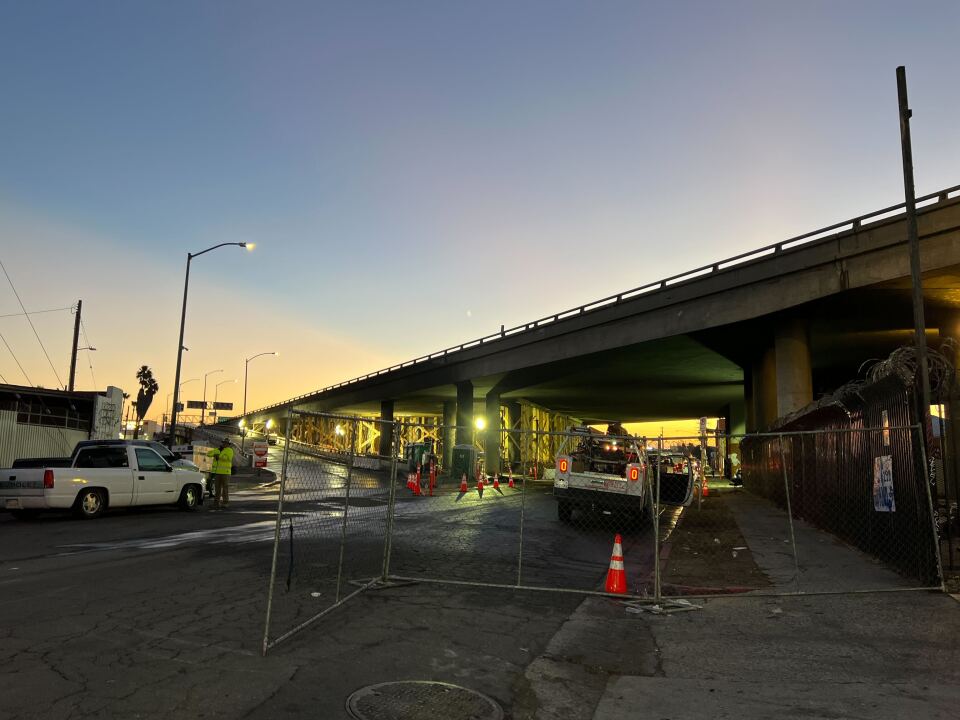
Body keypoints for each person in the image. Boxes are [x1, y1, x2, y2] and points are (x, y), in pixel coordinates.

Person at [208, 437, 234, 509]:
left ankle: (225, 503)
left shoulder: (230, 450)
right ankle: (216, 503)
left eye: (226, 443)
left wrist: (218, 456)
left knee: (225, 488)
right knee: (217, 489)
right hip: (217, 472)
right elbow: (209, 454)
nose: (224, 444)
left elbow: (228, 458)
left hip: (225, 473)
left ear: (228, 444)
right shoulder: (218, 449)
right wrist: (216, 452)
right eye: (223, 442)